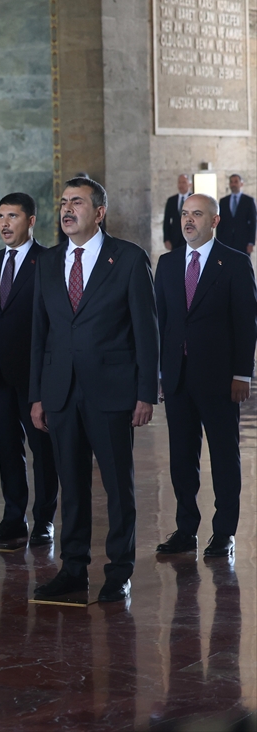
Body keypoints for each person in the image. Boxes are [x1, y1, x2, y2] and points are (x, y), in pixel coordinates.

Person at [30, 176, 159, 603]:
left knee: (118, 487)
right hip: (61, 392)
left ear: (99, 212)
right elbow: (40, 334)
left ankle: (119, 572)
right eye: (64, 202)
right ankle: (72, 569)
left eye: (78, 203)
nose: (67, 210)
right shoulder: (47, 262)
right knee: (71, 483)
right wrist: (37, 395)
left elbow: (146, 331)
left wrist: (146, 392)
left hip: (113, 391)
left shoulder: (127, 259)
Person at [154, 193, 256, 559]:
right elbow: (161, 324)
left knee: (224, 456)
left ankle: (224, 533)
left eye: (197, 214)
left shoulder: (234, 262)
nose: (188, 221)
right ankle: (185, 531)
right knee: (182, 459)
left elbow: (247, 323)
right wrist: (160, 374)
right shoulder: (166, 264)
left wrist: (243, 373)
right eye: (184, 214)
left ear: (214, 221)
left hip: (220, 379)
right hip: (178, 379)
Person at [0, 192, 58, 545]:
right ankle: (13, 518)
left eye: (13, 216)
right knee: (8, 448)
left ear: (31, 221)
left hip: (35, 376)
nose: (5, 224)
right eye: (0, 216)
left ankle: (44, 521)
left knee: (43, 450)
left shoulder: (49, 261)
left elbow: (53, 323)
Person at [218, 174, 256, 255]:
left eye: (236, 182)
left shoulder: (248, 201)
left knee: (242, 265)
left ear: (241, 184)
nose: (233, 184)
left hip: (243, 242)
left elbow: (253, 222)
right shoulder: (223, 201)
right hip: (226, 241)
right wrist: (218, 242)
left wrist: (251, 242)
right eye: (231, 182)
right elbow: (220, 223)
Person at [162, 174, 192, 251]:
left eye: (184, 182)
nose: (181, 185)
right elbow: (166, 221)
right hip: (174, 239)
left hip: (190, 238)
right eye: (179, 182)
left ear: (189, 184)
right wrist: (166, 239)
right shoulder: (171, 200)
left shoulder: (194, 199)